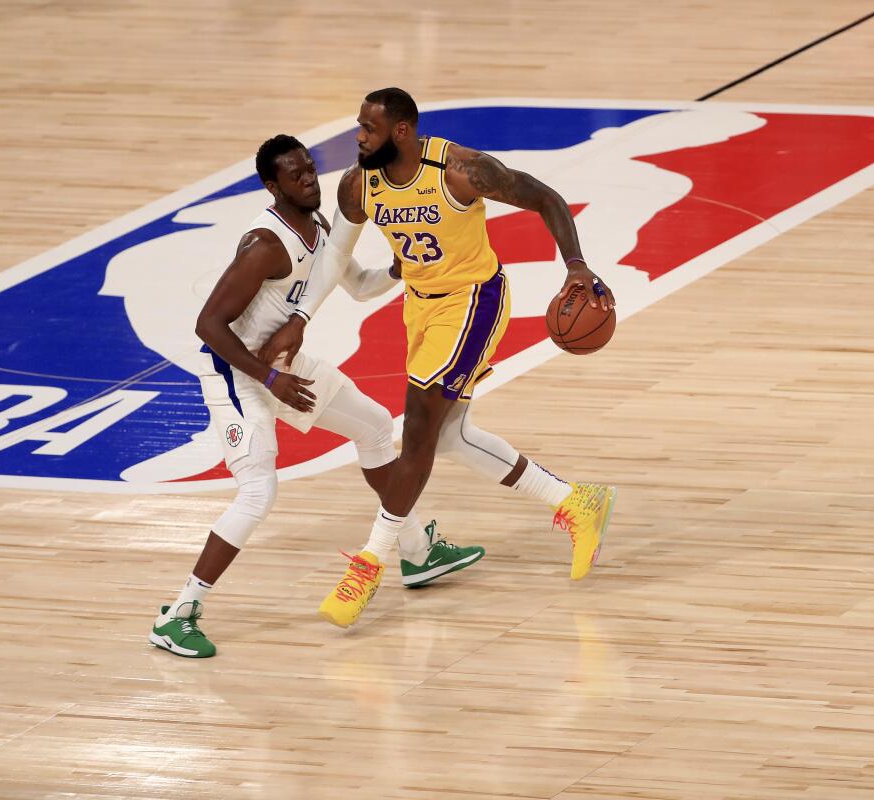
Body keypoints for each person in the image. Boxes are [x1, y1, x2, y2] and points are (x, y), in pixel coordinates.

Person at [261, 89, 618, 629]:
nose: (358, 136)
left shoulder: (462, 170)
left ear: (401, 131)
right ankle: (575, 501)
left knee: (418, 434)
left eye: (369, 128)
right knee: (449, 436)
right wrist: (302, 317)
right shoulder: (360, 184)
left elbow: (548, 198)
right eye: (360, 126)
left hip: (474, 301)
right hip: (420, 309)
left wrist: (575, 265)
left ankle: (370, 563)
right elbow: (336, 257)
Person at [149, 134, 485, 658]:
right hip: (235, 375)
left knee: (375, 426)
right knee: (259, 492)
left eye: (311, 170)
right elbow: (208, 325)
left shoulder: (321, 226)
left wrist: (403, 266)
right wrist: (268, 379)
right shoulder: (265, 246)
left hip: (278, 367)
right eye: (297, 175)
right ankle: (179, 613)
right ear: (272, 186)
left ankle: (418, 552)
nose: (310, 180)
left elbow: (361, 286)